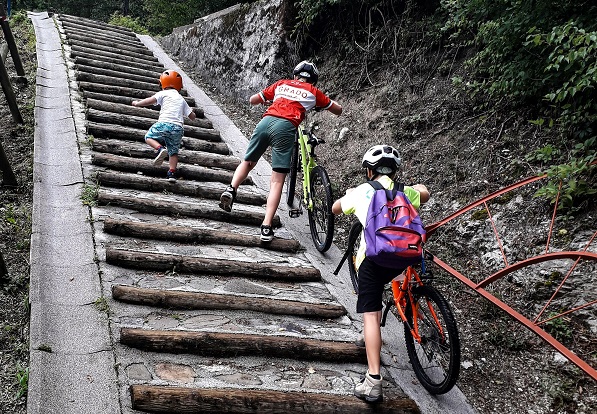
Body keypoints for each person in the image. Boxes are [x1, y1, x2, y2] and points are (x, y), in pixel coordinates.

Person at [331, 144, 430, 403]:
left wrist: (349, 195)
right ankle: (408, 300)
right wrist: (416, 188)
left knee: (371, 316)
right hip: (402, 258)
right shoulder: (405, 191)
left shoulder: (363, 190)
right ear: (395, 171)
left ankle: (373, 381)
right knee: (397, 269)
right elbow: (425, 193)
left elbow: (334, 208)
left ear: (368, 171)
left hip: (372, 260)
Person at [218, 60, 342, 241]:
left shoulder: (281, 84)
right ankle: (266, 227)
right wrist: (320, 103)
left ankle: (231, 189)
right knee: (277, 181)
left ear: (295, 75)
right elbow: (338, 110)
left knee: (248, 162)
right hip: (285, 127)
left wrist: (267, 99)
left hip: (265, 122)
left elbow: (253, 100)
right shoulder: (313, 92)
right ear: (313, 80)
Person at [132, 70, 196, 182]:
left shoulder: (163, 93)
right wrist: (193, 113)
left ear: (163, 83)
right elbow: (192, 116)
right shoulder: (181, 99)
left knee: (148, 137)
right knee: (173, 152)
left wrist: (138, 103)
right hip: (178, 129)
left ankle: (160, 149)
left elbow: (150, 101)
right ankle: (171, 173)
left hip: (164, 123)